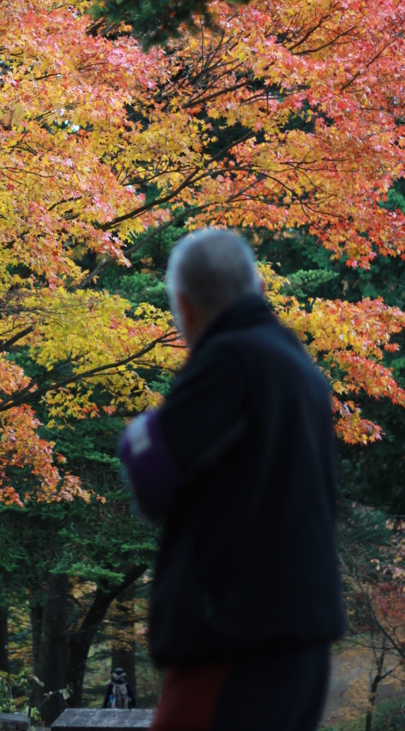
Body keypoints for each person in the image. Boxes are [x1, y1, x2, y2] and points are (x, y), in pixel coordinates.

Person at [118, 228, 344, 731]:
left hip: (235, 639)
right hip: (301, 640)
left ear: (184, 305)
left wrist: (138, 433)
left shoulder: (229, 361)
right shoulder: (303, 374)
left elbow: (151, 477)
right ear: (257, 287)